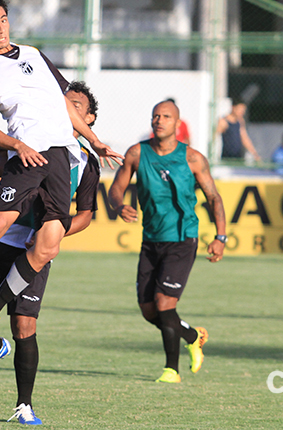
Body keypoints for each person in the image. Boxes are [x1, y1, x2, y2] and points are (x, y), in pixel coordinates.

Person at [0, 0, 121, 357]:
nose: (2, 29)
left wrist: (94, 139)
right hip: (27, 153)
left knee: (50, 242)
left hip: (57, 155)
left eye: (4, 20)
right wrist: (16, 146)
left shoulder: (35, 55)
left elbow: (64, 102)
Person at [0, 81, 102, 426]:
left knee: (24, 323)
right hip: (5, 238)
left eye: (76, 106)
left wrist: (50, 232)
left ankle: (24, 406)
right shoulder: (31, 138)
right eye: (62, 101)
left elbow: (85, 214)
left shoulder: (86, 161)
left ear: (90, 119)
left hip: (36, 250)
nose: (66, 108)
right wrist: (21, 156)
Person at [109, 99, 226, 383]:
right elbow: (116, 187)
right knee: (149, 310)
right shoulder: (137, 154)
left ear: (177, 123)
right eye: (155, 116)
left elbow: (213, 197)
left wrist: (220, 236)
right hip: (151, 239)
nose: (159, 120)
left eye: (166, 116)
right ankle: (193, 335)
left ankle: (171, 370)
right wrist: (118, 205)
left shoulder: (193, 159)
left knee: (164, 304)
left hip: (183, 238)